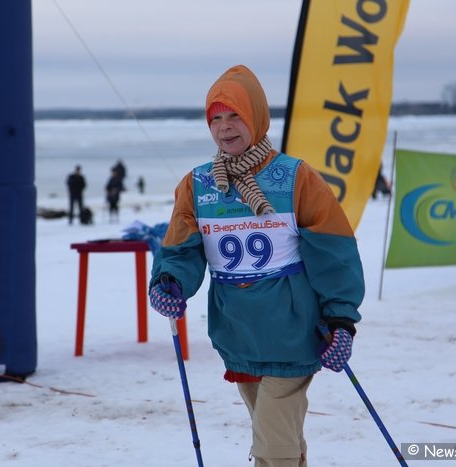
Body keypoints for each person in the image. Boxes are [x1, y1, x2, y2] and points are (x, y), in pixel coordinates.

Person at [148, 65, 364, 466]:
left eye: (235, 116)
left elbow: (333, 253)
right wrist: (169, 282)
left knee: (272, 447)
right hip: (238, 334)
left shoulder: (295, 178)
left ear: (256, 118)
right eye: (216, 118)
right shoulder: (197, 184)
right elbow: (182, 249)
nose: (225, 128)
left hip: (293, 333)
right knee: (279, 437)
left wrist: (341, 321)